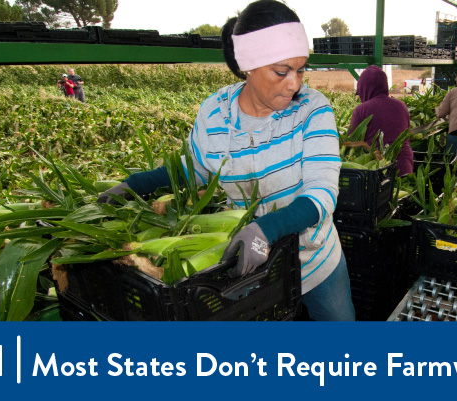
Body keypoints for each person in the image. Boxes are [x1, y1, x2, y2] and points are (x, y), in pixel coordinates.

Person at [97, 0, 355, 321]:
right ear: (248, 64)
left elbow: (322, 193)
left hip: (315, 259)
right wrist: (133, 186)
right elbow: (197, 170)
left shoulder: (312, 109)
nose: (295, 83)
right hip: (255, 270)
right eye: (281, 71)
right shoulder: (214, 113)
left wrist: (267, 229)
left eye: (301, 69)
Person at [349, 65, 413, 176]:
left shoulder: (361, 110)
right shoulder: (401, 106)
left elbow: (351, 143)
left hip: (379, 172)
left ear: (364, 90)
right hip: (404, 166)